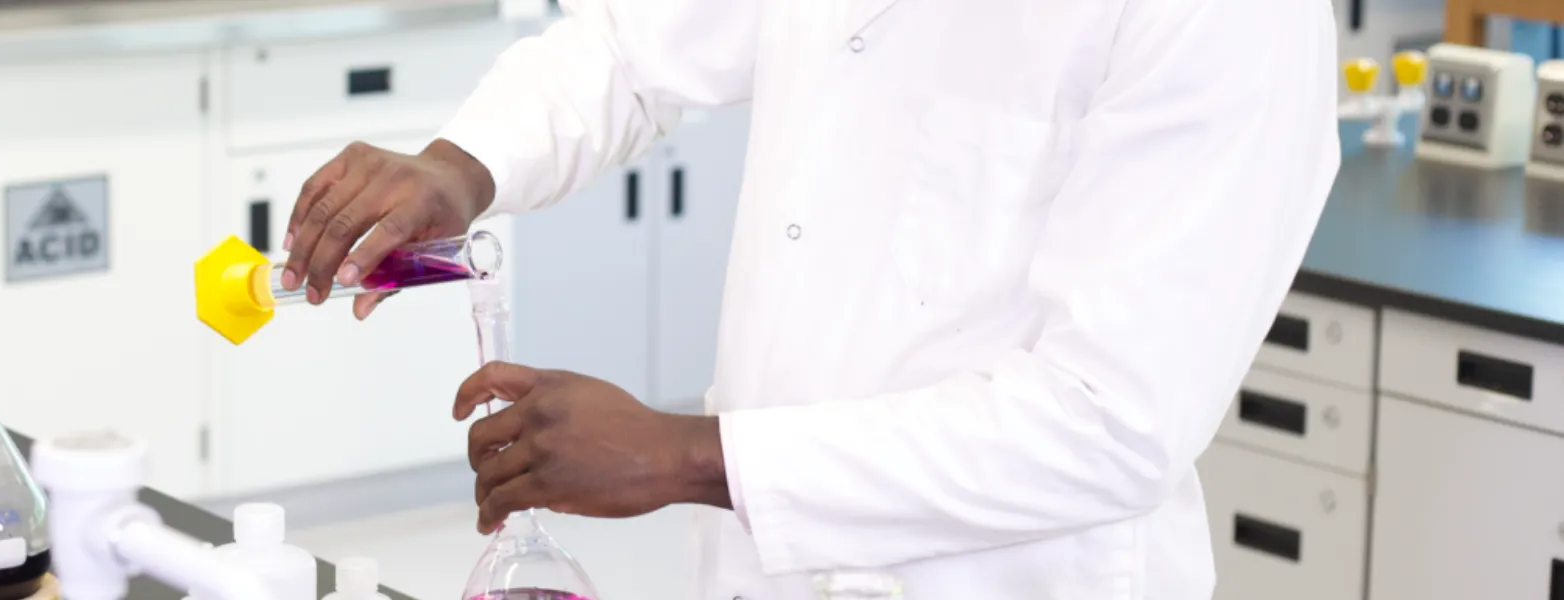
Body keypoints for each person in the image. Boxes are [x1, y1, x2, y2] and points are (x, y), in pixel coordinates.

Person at [278, 0, 1341, 596]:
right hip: (765, 573)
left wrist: (690, 455)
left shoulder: (1230, 17)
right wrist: (465, 165)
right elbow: (629, 48)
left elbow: (1111, 420)